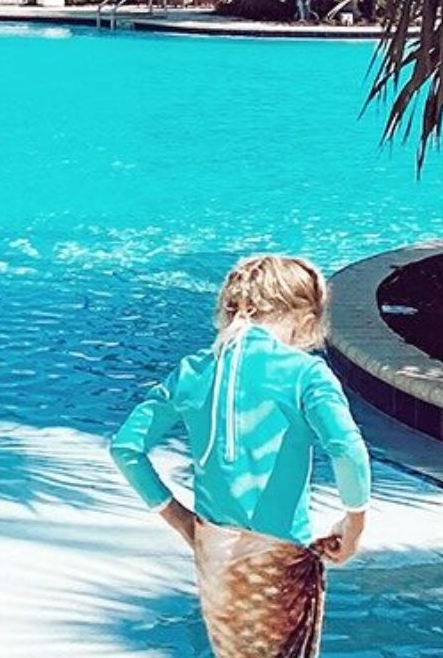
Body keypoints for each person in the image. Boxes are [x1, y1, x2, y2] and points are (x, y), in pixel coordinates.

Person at [110, 255, 371, 658]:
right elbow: (346, 448)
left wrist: (181, 520)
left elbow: (126, 448)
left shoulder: (193, 370)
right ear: (304, 316)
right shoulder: (305, 373)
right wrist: (354, 524)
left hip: (215, 553)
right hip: (279, 559)